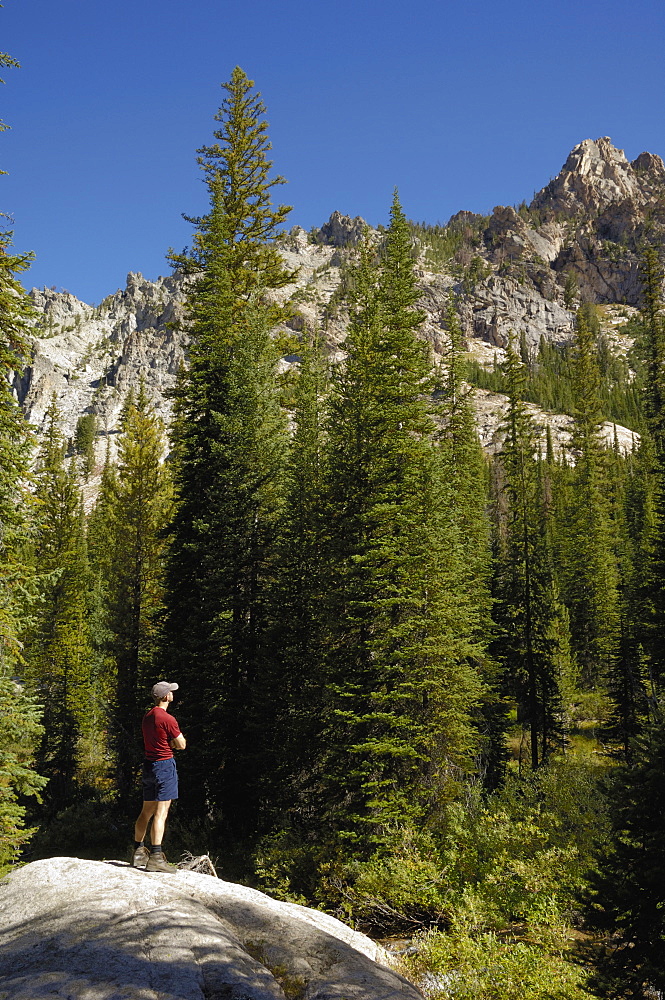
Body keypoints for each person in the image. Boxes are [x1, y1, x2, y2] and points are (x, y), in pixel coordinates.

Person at [131, 680, 186, 872]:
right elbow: (182, 744)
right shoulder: (167, 719)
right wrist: (172, 743)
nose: (172, 694)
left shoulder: (147, 717)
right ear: (166, 696)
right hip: (164, 766)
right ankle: (156, 857)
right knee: (161, 814)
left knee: (146, 812)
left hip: (149, 766)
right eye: (171, 691)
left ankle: (138, 852)